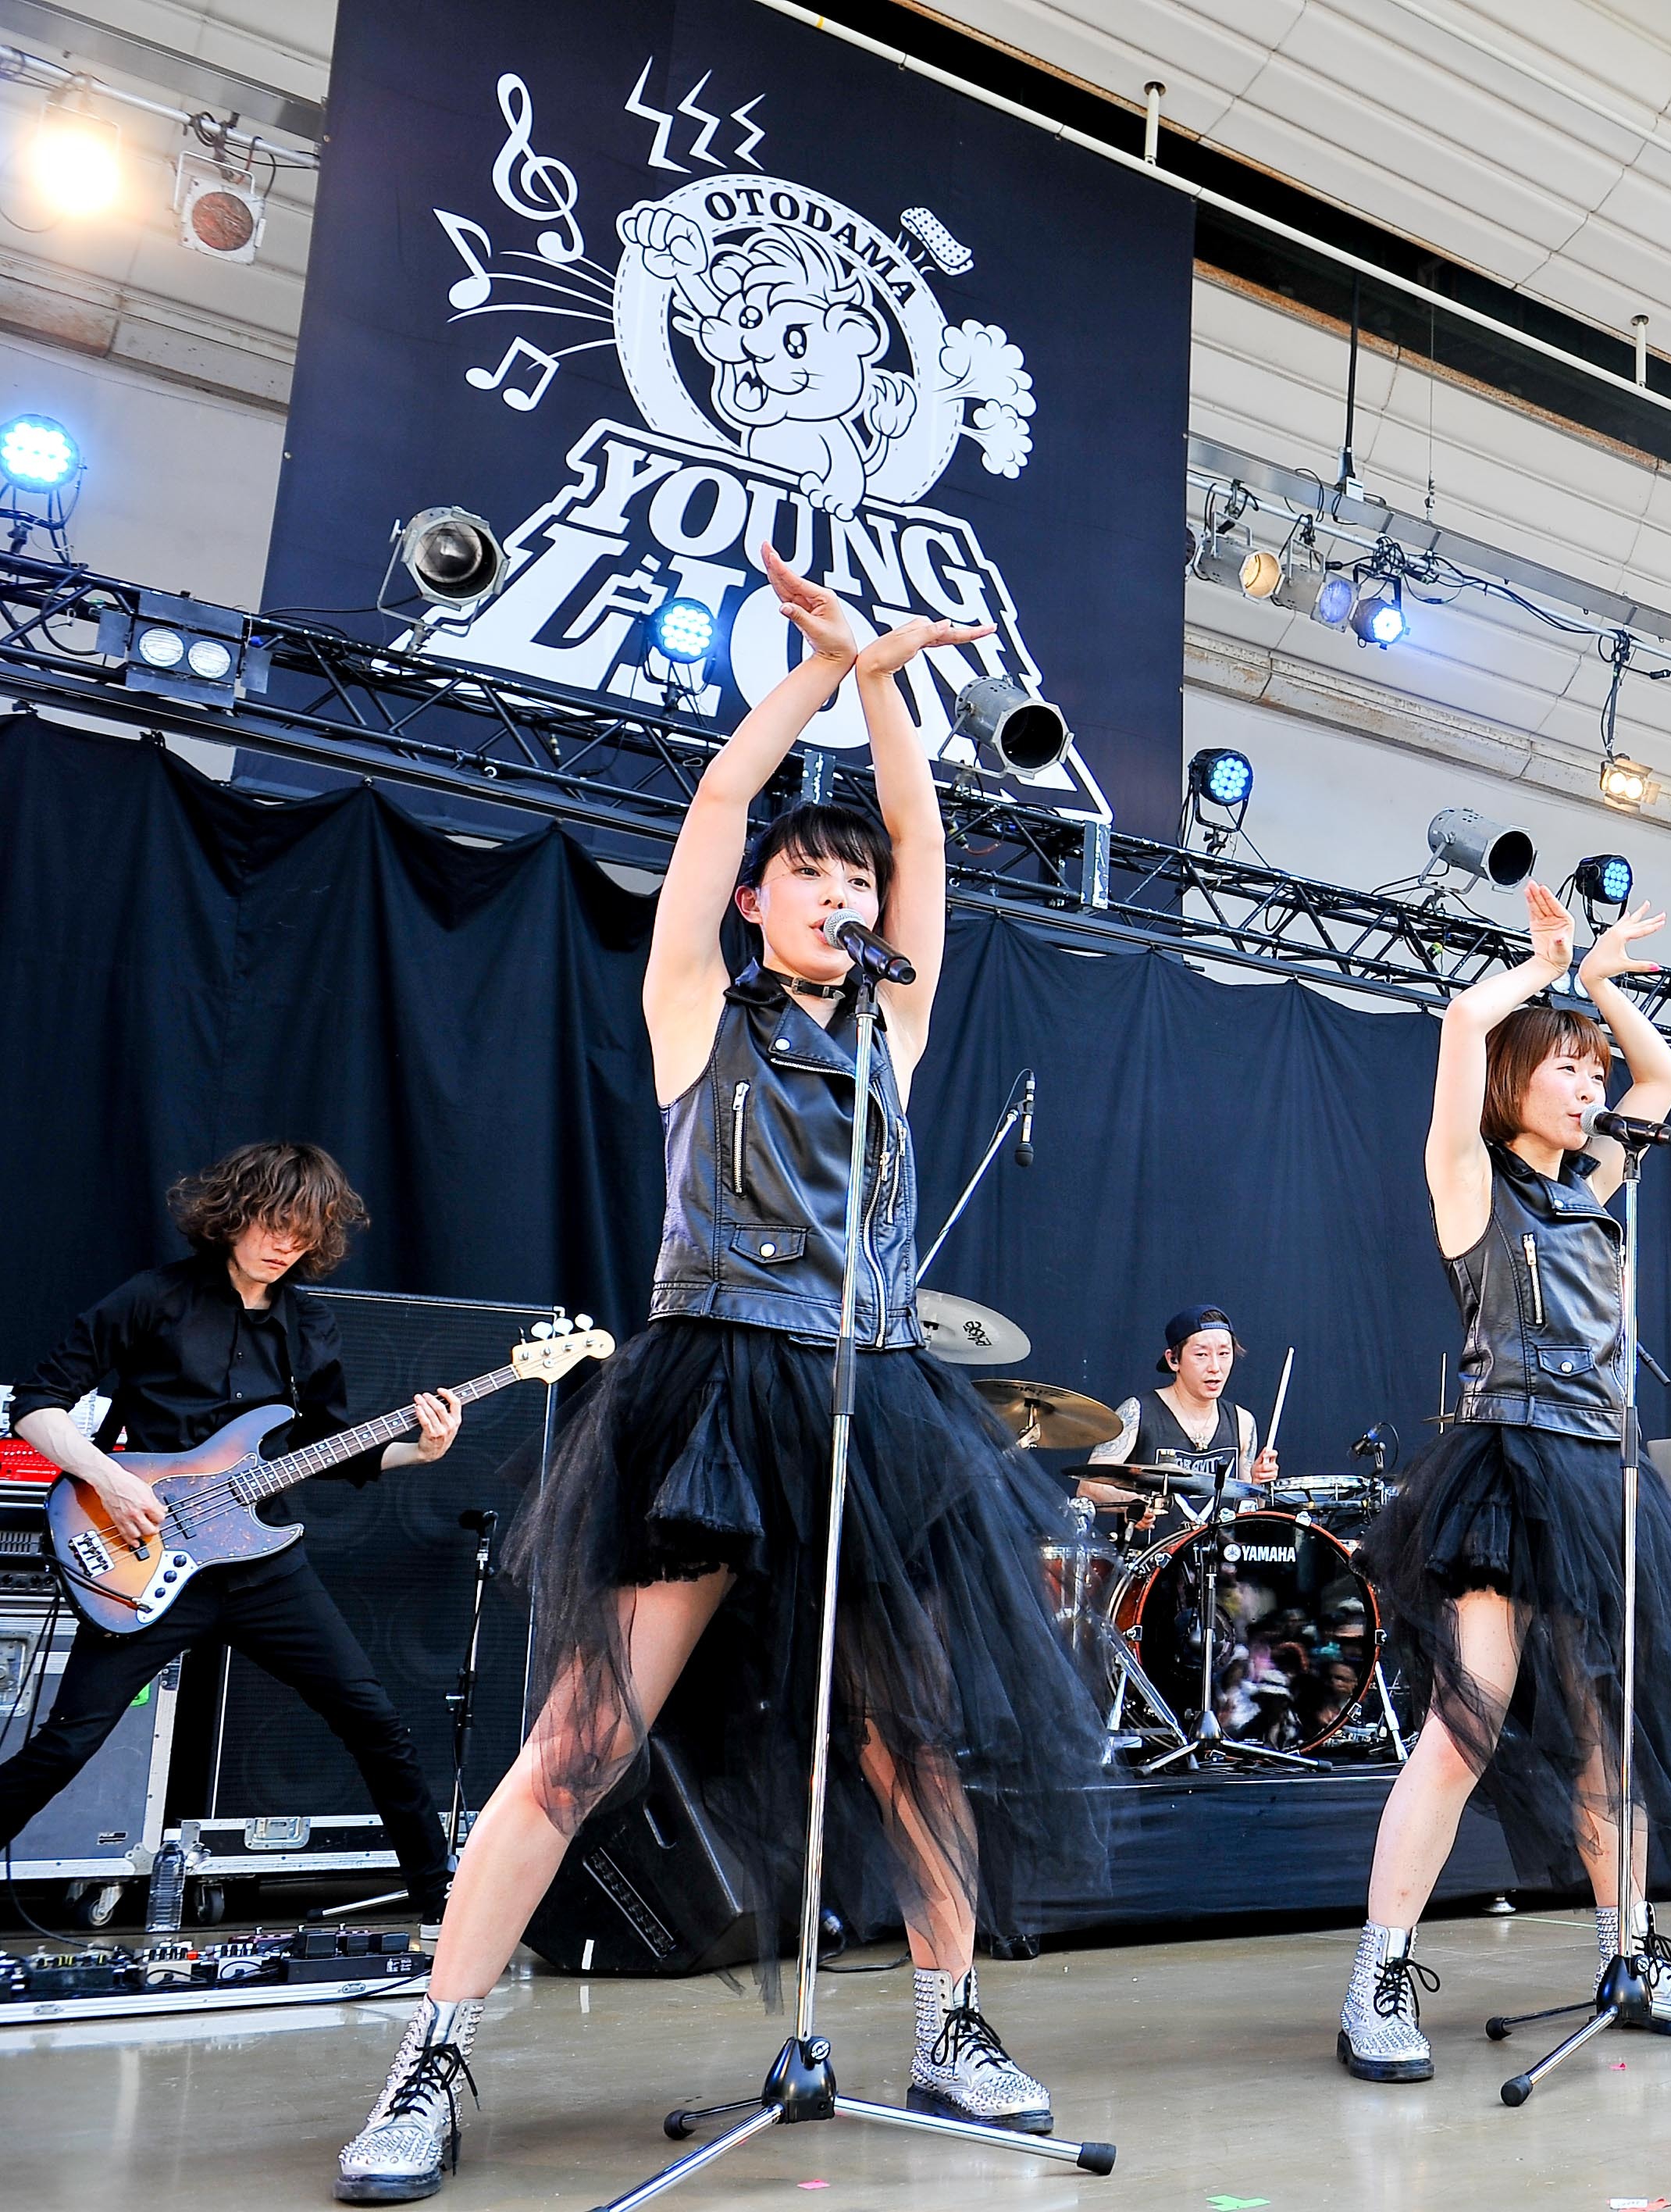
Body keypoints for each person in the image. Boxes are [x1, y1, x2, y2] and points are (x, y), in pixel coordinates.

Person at [335, 548, 1110, 2203]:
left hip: (872, 1395)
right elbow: (713, 806)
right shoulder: (698, 1010)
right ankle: (431, 2056)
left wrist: (893, 689)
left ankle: (947, 2023)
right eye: (806, 877)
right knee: (579, 1738)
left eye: (853, 882)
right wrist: (817, 679)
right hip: (712, 1394)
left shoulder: (896, 1031)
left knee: (916, 1741)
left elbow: (922, 842)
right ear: (761, 904)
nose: (840, 893)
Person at [1338, 884, 1671, 2083]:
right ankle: (1379, 1976)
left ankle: (1634, 1955)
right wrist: (1541, 967)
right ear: (1520, 1084)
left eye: (1589, 1068)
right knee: (1474, 1716)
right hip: (1508, 1465)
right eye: (1568, 1069)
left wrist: (1602, 991)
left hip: (1605, 1470)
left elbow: (1660, 1083)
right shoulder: (1472, 1181)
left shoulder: (1590, 1191)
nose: (1593, 1083)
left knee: (1620, 1729)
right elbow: (1461, 1027)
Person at [5, 1144, 463, 1924]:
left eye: (306, 1231)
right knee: (67, 1743)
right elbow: (38, 1405)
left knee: (374, 1720)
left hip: (259, 1568)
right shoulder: (155, 1299)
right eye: (277, 1222)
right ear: (234, 1214)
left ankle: (440, 1902)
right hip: (143, 1554)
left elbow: (325, 1450)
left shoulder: (308, 1327)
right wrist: (112, 1481)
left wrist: (417, 1450)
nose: (288, 1243)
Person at [1079, 1304, 1281, 1515]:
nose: (1215, 1366)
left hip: (1220, 1547)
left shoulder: (1243, 1421)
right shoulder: (1138, 1412)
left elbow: (1246, 1511)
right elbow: (1090, 1487)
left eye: (1224, 1353)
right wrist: (1132, 1504)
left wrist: (1258, 1487)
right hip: (1154, 1547)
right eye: (1202, 1355)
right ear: (1173, 1359)